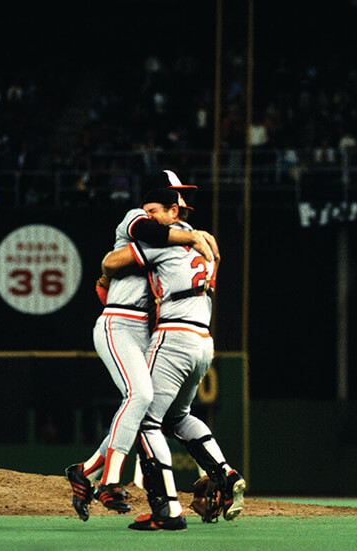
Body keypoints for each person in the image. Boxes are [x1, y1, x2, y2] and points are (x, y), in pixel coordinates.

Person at [65, 171, 215, 522]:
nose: (179, 202)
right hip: (119, 321)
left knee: (143, 407)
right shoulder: (140, 217)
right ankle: (110, 482)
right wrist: (188, 240)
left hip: (147, 329)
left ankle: (84, 471)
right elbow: (129, 246)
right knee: (140, 398)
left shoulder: (177, 238)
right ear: (155, 199)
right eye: (174, 195)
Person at [103, 187, 245, 530]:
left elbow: (111, 262)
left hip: (175, 336)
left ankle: (166, 510)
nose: (149, 217)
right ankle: (225, 475)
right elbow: (215, 259)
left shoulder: (166, 243)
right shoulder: (207, 245)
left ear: (173, 213)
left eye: (156, 211)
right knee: (179, 415)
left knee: (146, 420)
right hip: (203, 341)